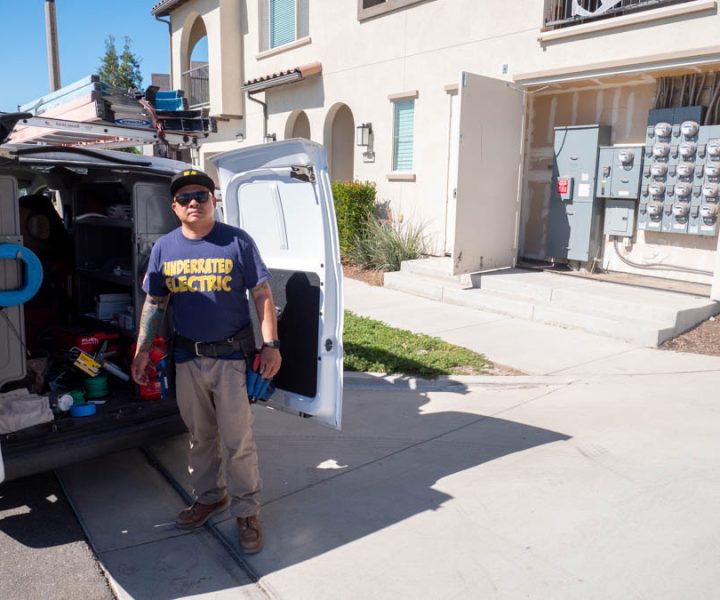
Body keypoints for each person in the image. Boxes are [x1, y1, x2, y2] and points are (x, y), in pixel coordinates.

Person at [131, 168, 281, 554]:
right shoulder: (164, 248)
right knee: (200, 438)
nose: (193, 202)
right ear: (174, 207)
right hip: (186, 360)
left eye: (201, 195)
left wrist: (271, 344)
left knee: (238, 441)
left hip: (232, 359)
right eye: (184, 198)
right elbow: (155, 301)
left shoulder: (236, 242)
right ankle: (211, 497)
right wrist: (143, 349)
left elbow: (262, 295)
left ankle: (247, 512)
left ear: (213, 200)